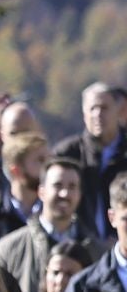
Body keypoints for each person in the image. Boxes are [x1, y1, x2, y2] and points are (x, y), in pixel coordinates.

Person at [0, 156, 101, 292]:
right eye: (57, 185)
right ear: (41, 192)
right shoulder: (9, 249)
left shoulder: (97, 252)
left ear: (80, 194)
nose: (64, 194)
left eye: (72, 187)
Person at [55, 82, 127, 241]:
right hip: (80, 249)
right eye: (92, 108)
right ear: (84, 114)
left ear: (118, 111)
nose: (97, 114)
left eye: (104, 108)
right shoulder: (67, 154)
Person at [0, 131, 48, 246]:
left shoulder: (59, 217)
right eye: (40, 160)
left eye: (49, 159)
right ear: (16, 171)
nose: (48, 166)